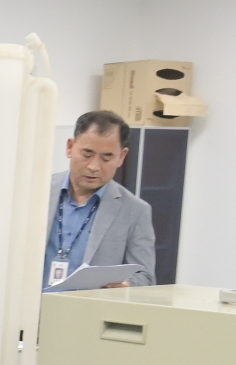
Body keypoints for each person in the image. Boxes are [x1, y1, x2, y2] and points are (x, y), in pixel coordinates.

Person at [43, 110, 156, 289]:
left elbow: (145, 276)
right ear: (70, 147)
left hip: (88, 306)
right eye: (87, 154)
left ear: (121, 157)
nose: (94, 166)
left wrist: (126, 285)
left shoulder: (135, 211)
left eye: (107, 157)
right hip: (30, 304)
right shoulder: (39, 192)